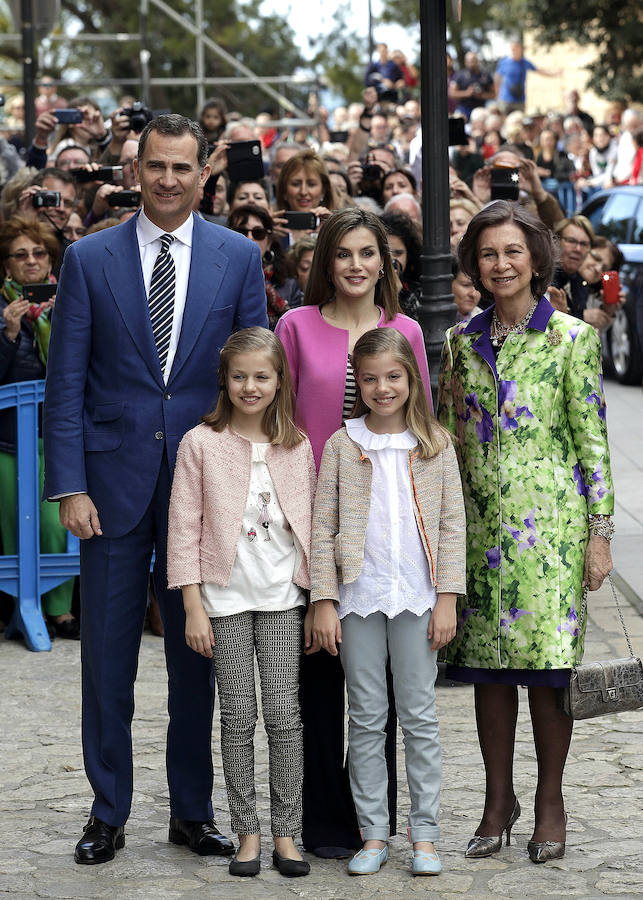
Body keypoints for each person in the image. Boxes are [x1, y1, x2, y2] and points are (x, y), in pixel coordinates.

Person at [42, 114, 268, 865]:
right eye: (155, 166)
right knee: (107, 660)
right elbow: (64, 382)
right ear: (135, 171)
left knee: (196, 658)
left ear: (205, 175)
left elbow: (253, 385)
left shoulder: (238, 258)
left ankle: (192, 811)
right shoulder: (89, 258)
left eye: (182, 167)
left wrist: (240, 483)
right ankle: (108, 811)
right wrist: (69, 484)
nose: (168, 179)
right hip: (108, 488)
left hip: (203, 490)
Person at [438, 201, 613, 864]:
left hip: (550, 532)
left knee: (545, 673)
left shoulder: (569, 338)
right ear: (473, 266)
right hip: (481, 528)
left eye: (511, 252)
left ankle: (548, 802)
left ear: (535, 258)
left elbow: (592, 443)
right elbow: (452, 437)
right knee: (486, 673)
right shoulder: (460, 339)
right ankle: (495, 800)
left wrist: (598, 535)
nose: (500, 264)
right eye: (487, 254)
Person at [275, 207, 432, 859]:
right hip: (307, 521)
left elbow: (423, 434)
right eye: (343, 253)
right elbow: (277, 422)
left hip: (386, 534)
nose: (357, 265)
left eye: (369, 252)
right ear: (324, 262)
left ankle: (379, 824)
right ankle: (324, 821)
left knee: (385, 693)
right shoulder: (294, 326)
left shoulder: (406, 332)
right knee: (317, 683)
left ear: (385, 262)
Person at [309, 327, 466, 876]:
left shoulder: (436, 445)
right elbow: (323, 523)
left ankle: (424, 835)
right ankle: (373, 833)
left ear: (412, 379)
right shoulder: (341, 443)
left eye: (393, 377)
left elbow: (452, 528)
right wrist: (323, 601)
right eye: (371, 379)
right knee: (367, 716)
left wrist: (447, 598)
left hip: (418, 598)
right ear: (358, 383)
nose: (382, 388)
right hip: (358, 597)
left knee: (420, 716)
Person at [167, 327, 314, 879]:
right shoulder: (200, 443)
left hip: (281, 599)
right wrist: (192, 604)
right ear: (224, 381)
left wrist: (317, 594)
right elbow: (182, 526)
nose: (250, 387)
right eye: (239, 376)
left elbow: (314, 527)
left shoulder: (296, 445)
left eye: (262, 376)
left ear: (279, 382)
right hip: (223, 600)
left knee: (283, 716)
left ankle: (286, 832)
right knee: (236, 716)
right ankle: (247, 831)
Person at [0, 216, 78, 640]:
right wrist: (10, 334)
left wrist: (60, 319)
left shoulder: (70, 301)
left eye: (39, 253)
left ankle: (61, 612)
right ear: (7, 266)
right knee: (16, 526)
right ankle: (21, 608)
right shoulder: (2, 309)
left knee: (56, 524)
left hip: (58, 440)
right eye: (20, 255)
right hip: (9, 442)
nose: (31, 262)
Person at [227, 204, 303, 328]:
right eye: (241, 232)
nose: (249, 238)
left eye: (258, 233)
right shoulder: (218, 280)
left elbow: (297, 330)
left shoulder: (289, 286)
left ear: (269, 243)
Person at [494, 41, 559, 112]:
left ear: (520, 49)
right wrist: (497, 95)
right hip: (506, 98)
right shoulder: (504, 62)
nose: (514, 51)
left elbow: (539, 70)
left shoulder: (524, 62)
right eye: (512, 49)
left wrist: (554, 74)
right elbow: (497, 78)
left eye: (516, 49)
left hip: (520, 98)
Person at [449, 52, 495, 121]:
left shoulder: (486, 75)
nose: (472, 63)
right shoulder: (459, 75)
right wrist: (467, 93)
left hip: (481, 110)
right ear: (465, 62)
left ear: (477, 61)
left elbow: (493, 94)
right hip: (464, 109)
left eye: (473, 60)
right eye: (469, 61)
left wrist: (482, 95)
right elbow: (451, 93)